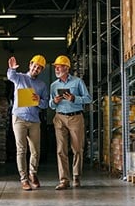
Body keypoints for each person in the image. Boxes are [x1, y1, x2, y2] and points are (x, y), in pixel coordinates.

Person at [49, 55, 92, 190]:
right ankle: (64, 180)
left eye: (59, 66)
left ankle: (76, 177)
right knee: (61, 150)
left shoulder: (78, 82)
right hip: (60, 118)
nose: (57, 69)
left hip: (75, 118)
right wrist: (54, 102)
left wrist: (75, 98)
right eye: (56, 67)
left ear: (66, 68)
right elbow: (51, 105)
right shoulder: (53, 85)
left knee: (77, 148)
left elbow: (88, 99)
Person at [7, 55, 49, 191]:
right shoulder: (20, 77)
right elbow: (10, 76)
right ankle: (24, 179)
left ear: (41, 70)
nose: (36, 69)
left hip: (34, 120)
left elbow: (45, 104)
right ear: (30, 64)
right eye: (35, 66)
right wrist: (11, 69)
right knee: (21, 149)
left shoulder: (42, 85)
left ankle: (33, 173)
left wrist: (38, 100)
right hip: (19, 118)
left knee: (35, 150)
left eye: (39, 68)